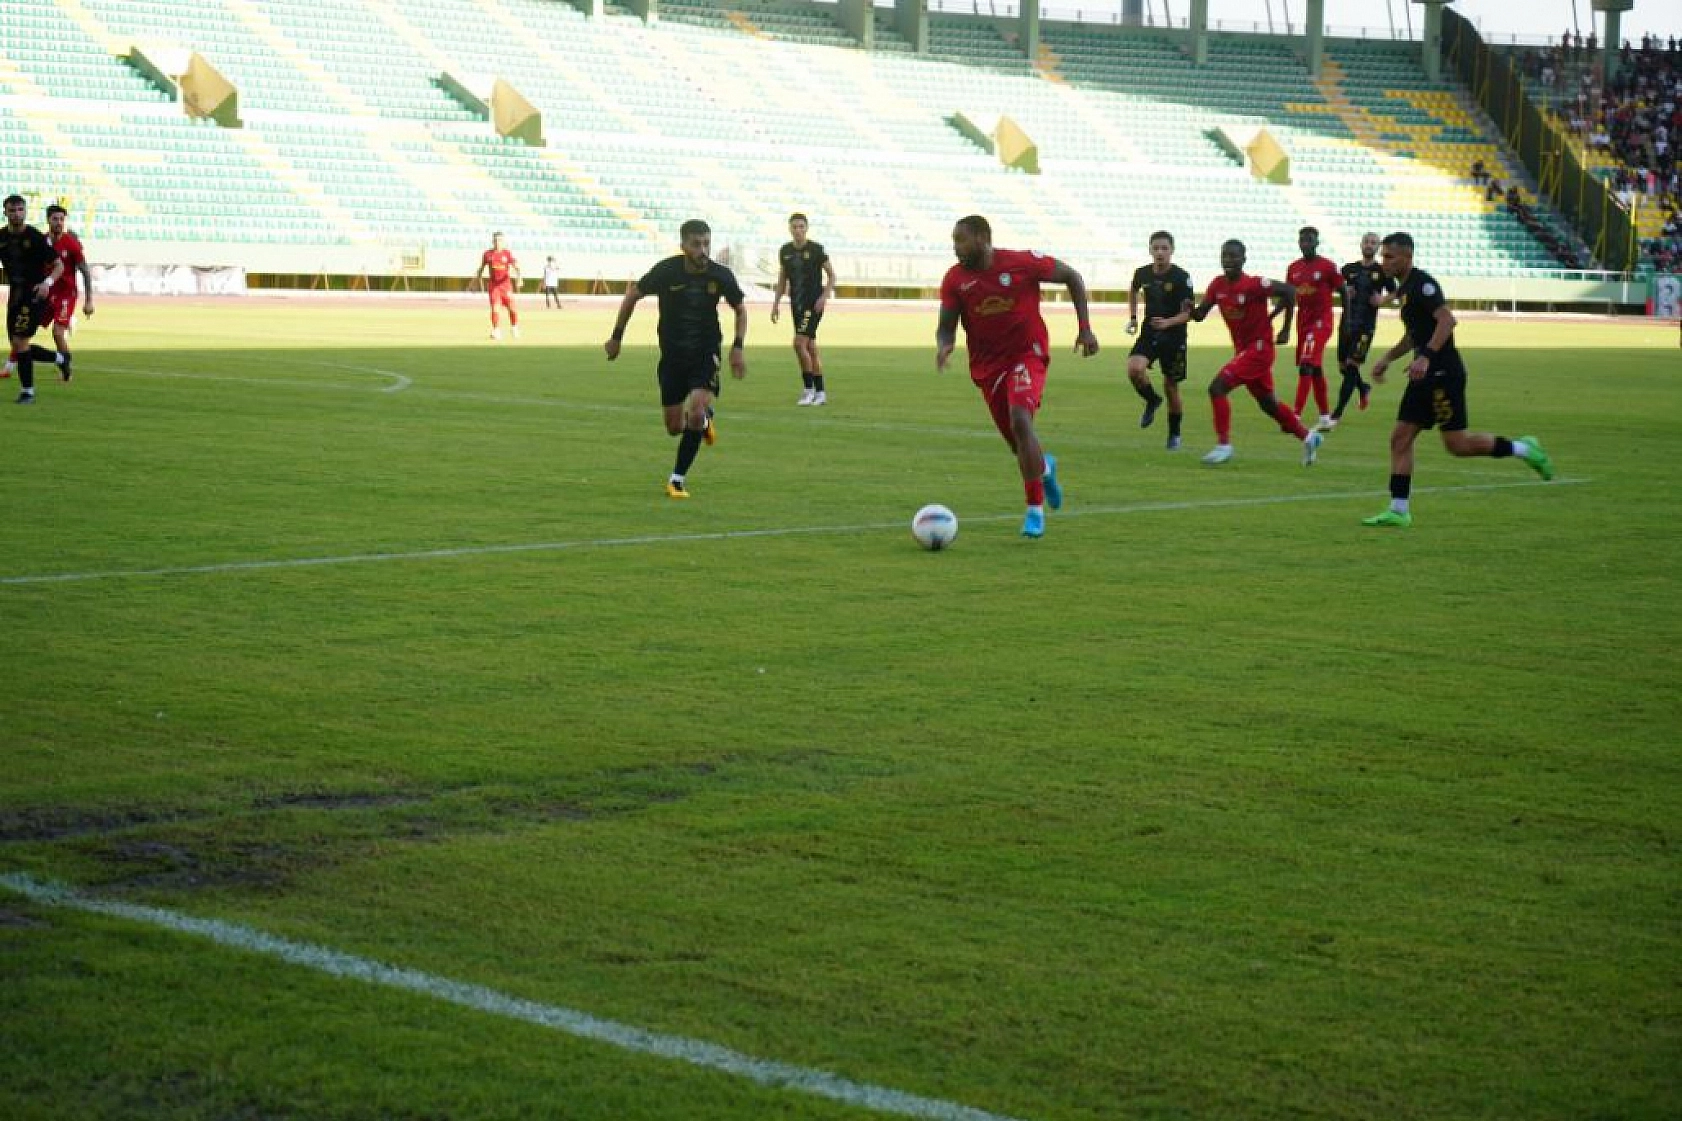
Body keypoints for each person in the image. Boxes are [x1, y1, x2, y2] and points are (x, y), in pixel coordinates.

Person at [1361, 232, 1553, 528]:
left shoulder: (1423, 285)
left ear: (1407, 257)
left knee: (1457, 445)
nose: (1383, 262)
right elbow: (1415, 334)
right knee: (1400, 438)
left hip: (1442, 374)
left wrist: (1425, 357)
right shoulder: (1405, 289)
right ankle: (1398, 510)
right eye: (1383, 256)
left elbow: (1447, 321)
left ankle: (1525, 449)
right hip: (1421, 374)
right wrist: (1387, 358)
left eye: (1390, 257)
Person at [935, 215, 1099, 539]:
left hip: (1028, 353)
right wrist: (945, 344)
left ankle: (1034, 510)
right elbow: (946, 325)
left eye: (961, 240)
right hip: (987, 368)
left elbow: (1072, 277)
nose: (955, 248)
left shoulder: (1021, 262)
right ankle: (1046, 469)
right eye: (954, 241)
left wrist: (1085, 328)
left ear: (982, 238)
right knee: (1019, 445)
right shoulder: (955, 279)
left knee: (1021, 420)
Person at [604, 219, 746, 499]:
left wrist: (737, 347)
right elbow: (632, 296)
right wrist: (616, 337)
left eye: (706, 243)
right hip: (672, 356)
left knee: (694, 410)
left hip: (706, 353)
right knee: (674, 427)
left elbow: (741, 310)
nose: (703, 249)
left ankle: (677, 479)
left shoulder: (721, 275)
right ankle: (704, 422)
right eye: (696, 244)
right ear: (683, 246)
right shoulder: (667, 271)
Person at [1188, 239, 1322, 466]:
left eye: (1233, 256)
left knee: (1217, 387)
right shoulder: (1217, 285)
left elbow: (1289, 291)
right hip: (1245, 352)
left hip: (1259, 350)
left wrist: (1286, 329)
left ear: (1243, 259)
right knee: (1268, 404)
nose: (1228, 260)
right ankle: (1309, 437)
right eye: (1225, 256)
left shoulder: (1255, 284)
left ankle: (1224, 445)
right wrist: (1189, 309)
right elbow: (1201, 314)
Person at [1124, 230, 1194, 450]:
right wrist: (1134, 317)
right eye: (1156, 248)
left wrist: (1168, 322)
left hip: (1174, 335)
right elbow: (1133, 290)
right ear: (1150, 250)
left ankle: (1174, 435)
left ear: (1172, 250)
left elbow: (1188, 313)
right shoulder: (1142, 273)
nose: (1160, 252)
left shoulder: (1181, 277)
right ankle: (1152, 400)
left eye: (1164, 248)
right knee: (1134, 369)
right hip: (1150, 331)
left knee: (1171, 386)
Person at [1323, 231, 1394, 430]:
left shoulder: (1382, 272)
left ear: (1378, 248)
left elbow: (1396, 291)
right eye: (1366, 241)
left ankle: (1336, 415)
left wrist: (1383, 300)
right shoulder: (1348, 269)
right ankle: (1363, 388)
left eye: (1373, 243)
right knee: (1343, 368)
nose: (1369, 245)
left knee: (1352, 366)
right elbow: (1332, 288)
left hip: (1365, 328)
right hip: (1346, 325)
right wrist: (1343, 291)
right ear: (1361, 244)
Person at [0, 194, 63, 404]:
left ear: (25, 211)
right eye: (12, 210)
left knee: (20, 341)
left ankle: (28, 392)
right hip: (15, 296)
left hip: (35, 295)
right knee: (18, 345)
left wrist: (47, 283)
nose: (17, 214)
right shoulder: (2, 237)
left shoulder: (35, 237)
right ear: (5, 212)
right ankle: (61, 358)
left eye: (20, 210)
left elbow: (59, 266)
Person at [771, 213, 835, 406]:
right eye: (794, 227)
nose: (798, 230)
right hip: (796, 305)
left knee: (799, 344)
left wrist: (824, 297)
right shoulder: (785, 251)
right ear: (790, 229)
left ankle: (808, 389)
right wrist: (776, 303)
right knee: (810, 348)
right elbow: (783, 279)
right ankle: (821, 392)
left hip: (813, 304)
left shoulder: (816, 250)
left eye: (801, 226)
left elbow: (832, 276)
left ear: (806, 228)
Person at [1284, 226, 1341, 428]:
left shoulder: (1327, 266)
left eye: (1310, 240)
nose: (1306, 243)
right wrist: (1284, 326)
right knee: (1314, 368)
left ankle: (1295, 415)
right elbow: (1289, 299)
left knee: (1306, 364)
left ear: (1317, 242)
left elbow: (1343, 291)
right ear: (1299, 243)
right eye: (1303, 240)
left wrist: (1348, 322)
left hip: (1322, 321)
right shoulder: (1293, 268)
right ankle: (1325, 416)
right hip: (1303, 321)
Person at [43, 203, 92, 382]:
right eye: (55, 219)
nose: (58, 222)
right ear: (48, 220)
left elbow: (85, 271)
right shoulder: (42, 242)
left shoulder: (71, 244)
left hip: (66, 294)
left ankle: (66, 369)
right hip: (48, 293)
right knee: (26, 329)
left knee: (57, 332)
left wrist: (89, 301)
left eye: (61, 219)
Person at [474, 232, 520, 340]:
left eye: (500, 240)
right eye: (495, 240)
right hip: (494, 286)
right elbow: (481, 267)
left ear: (503, 242)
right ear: (492, 241)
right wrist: (478, 279)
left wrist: (519, 278)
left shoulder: (507, 253)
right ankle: (496, 330)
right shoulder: (487, 254)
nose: (497, 242)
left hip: (506, 285)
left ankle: (514, 327)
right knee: (495, 308)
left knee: (512, 309)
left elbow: (516, 266)